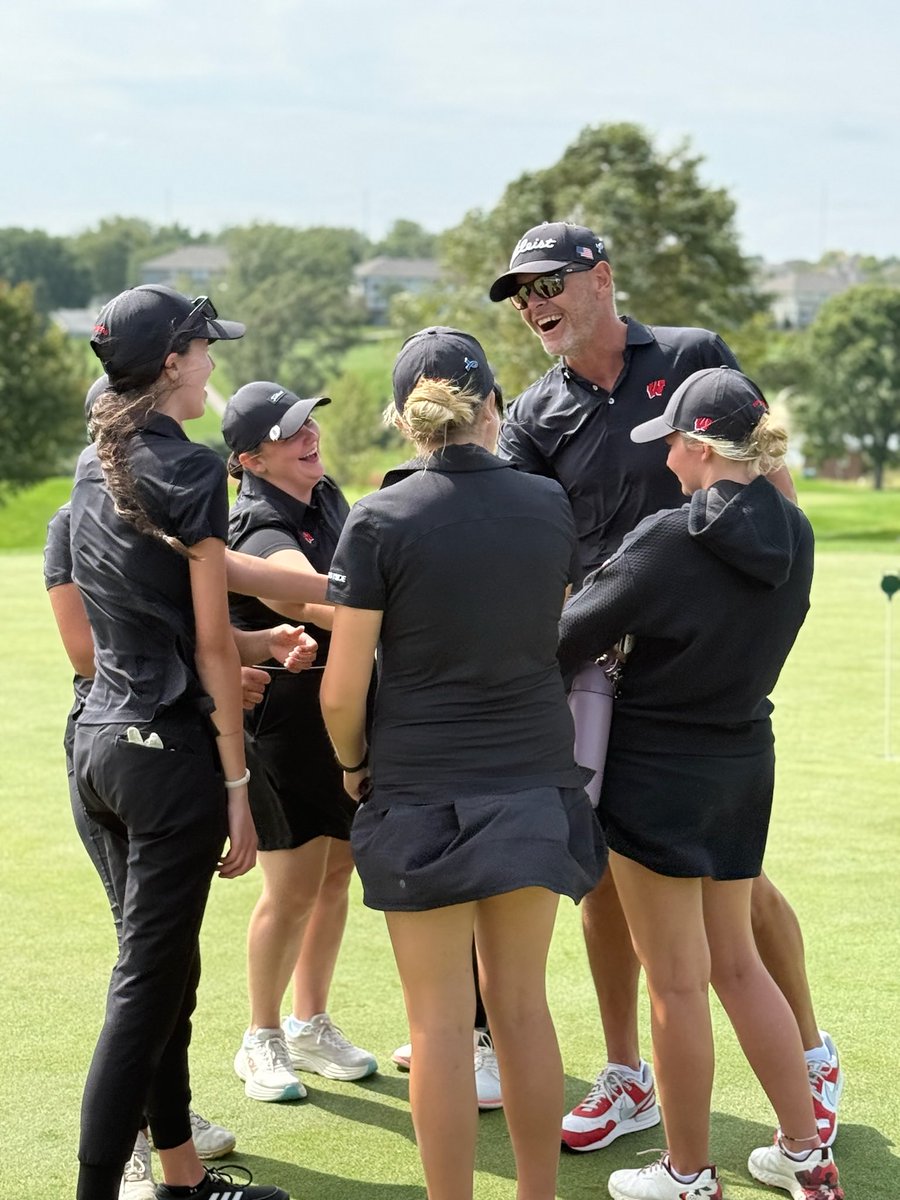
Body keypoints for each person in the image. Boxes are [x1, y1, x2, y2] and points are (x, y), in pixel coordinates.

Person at [489, 223, 842, 1152]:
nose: (532, 306)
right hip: (604, 680)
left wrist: (763, 611)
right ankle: (626, 1077)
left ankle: (808, 1058)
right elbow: (524, 541)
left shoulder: (692, 359)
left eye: (546, 285)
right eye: (520, 296)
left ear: (600, 279)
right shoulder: (533, 413)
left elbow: (766, 473)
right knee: (606, 881)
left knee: (739, 889)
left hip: (700, 674)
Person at [320, 327, 606, 1200]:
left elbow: (340, 693)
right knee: (521, 1010)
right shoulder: (548, 504)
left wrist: (352, 766)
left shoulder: (376, 518)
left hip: (419, 793)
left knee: (439, 1026)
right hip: (531, 782)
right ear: (494, 408)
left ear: (406, 421)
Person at [556, 367, 842, 1200]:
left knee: (676, 982)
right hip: (744, 762)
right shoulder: (797, 532)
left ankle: (687, 1173)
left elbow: (566, 638)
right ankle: (803, 1152)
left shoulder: (665, 539)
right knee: (739, 966)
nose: (668, 464)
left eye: (673, 447)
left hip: (655, 777)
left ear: (696, 445)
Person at [69, 284, 290, 1200]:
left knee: (162, 977)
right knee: (147, 994)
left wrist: (265, 637)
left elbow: (155, 626)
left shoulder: (96, 461)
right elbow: (204, 644)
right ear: (170, 362)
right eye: (203, 348)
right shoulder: (192, 470)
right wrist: (237, 785)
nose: (212, 362)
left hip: (96, 752)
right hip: (165, 763)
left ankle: (184, 1181)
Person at [222, 381, 377, 1103]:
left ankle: (309, 1021)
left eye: (308, 423)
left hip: (338, 721)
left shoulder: (327, 497)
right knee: (290, 891)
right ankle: (261, 1037)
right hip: (281, 731)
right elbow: (298, 596)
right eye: (288, 434)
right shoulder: (256, 521)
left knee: (338, 870)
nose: (308, 435)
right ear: (251, 459)